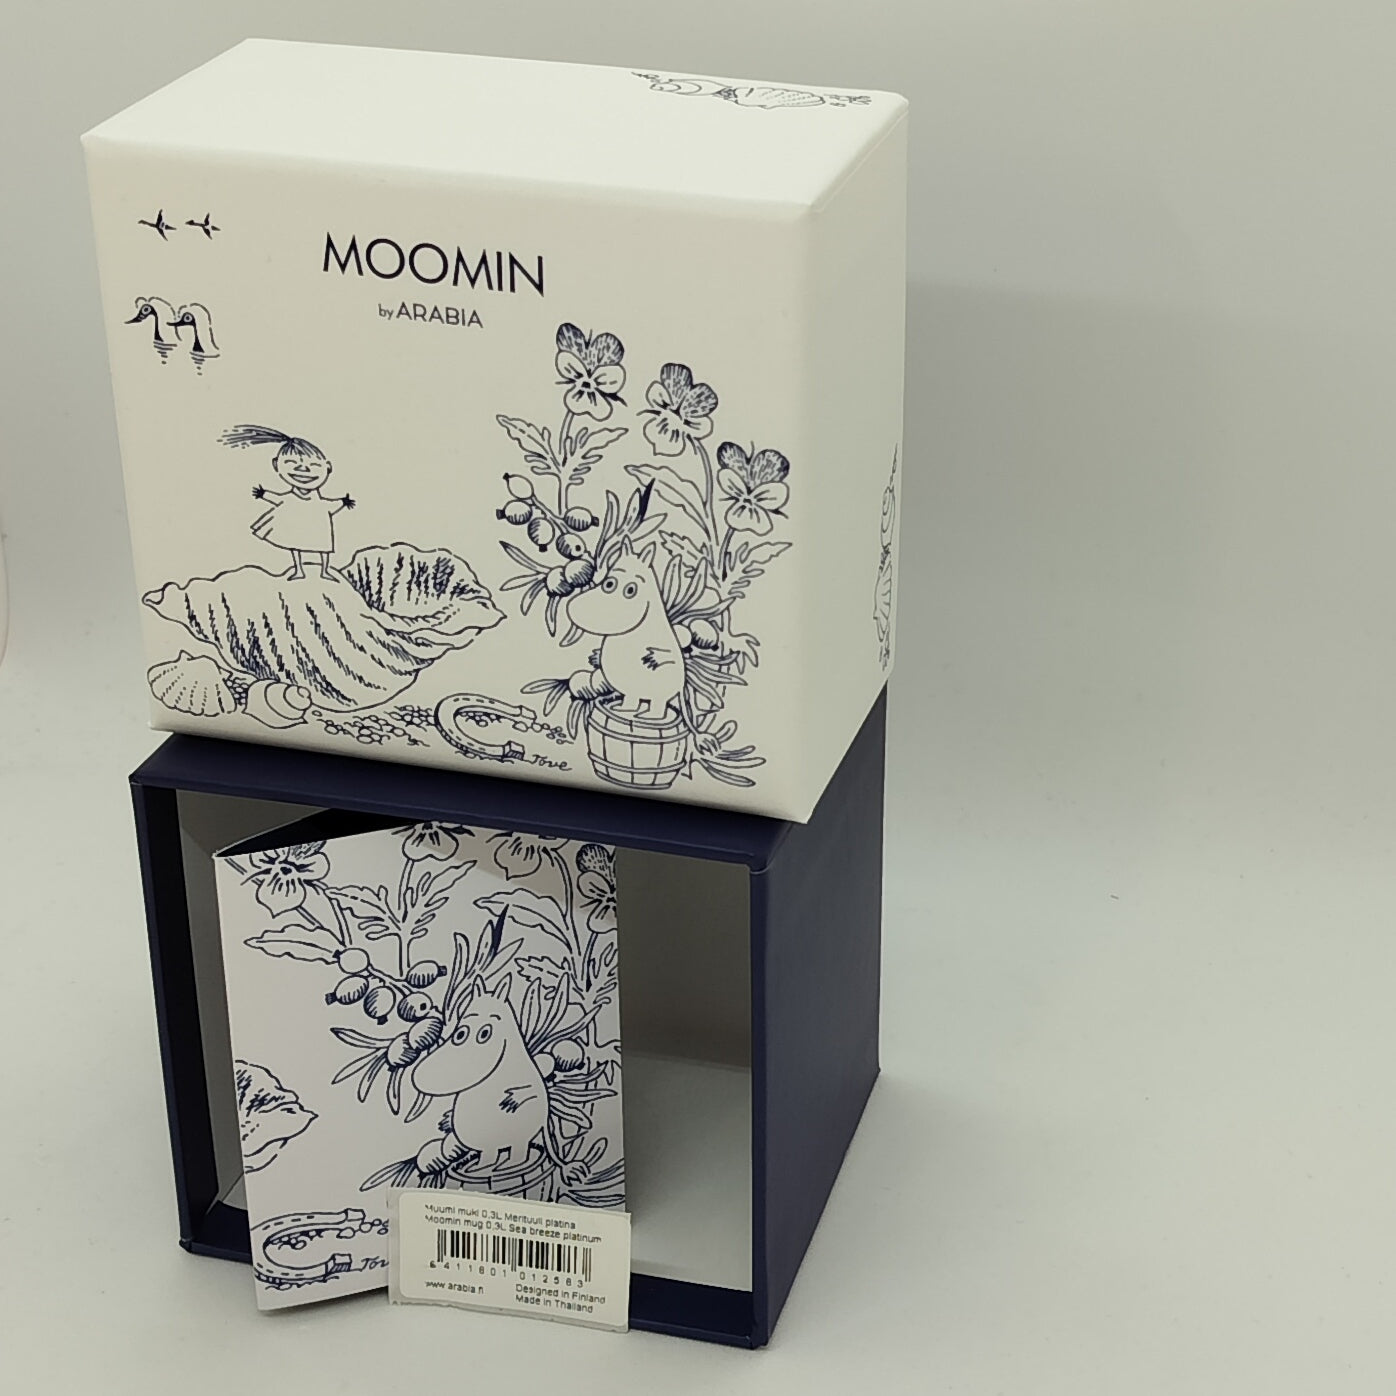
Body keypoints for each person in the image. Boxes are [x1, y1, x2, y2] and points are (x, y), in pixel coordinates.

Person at [220, 424, 355, 580]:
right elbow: (278, 498)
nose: (303, 470)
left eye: (314, 466)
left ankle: (325, 570)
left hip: (319, 525)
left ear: (328, 467)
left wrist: (342, 502)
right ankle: (299, 569)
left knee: (323, 547)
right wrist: (264, 494)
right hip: (297, 525)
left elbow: (330, 505)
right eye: (292, 464)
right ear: (276, 465)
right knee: (295, 543)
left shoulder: (319, 503)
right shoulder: (290, 498)